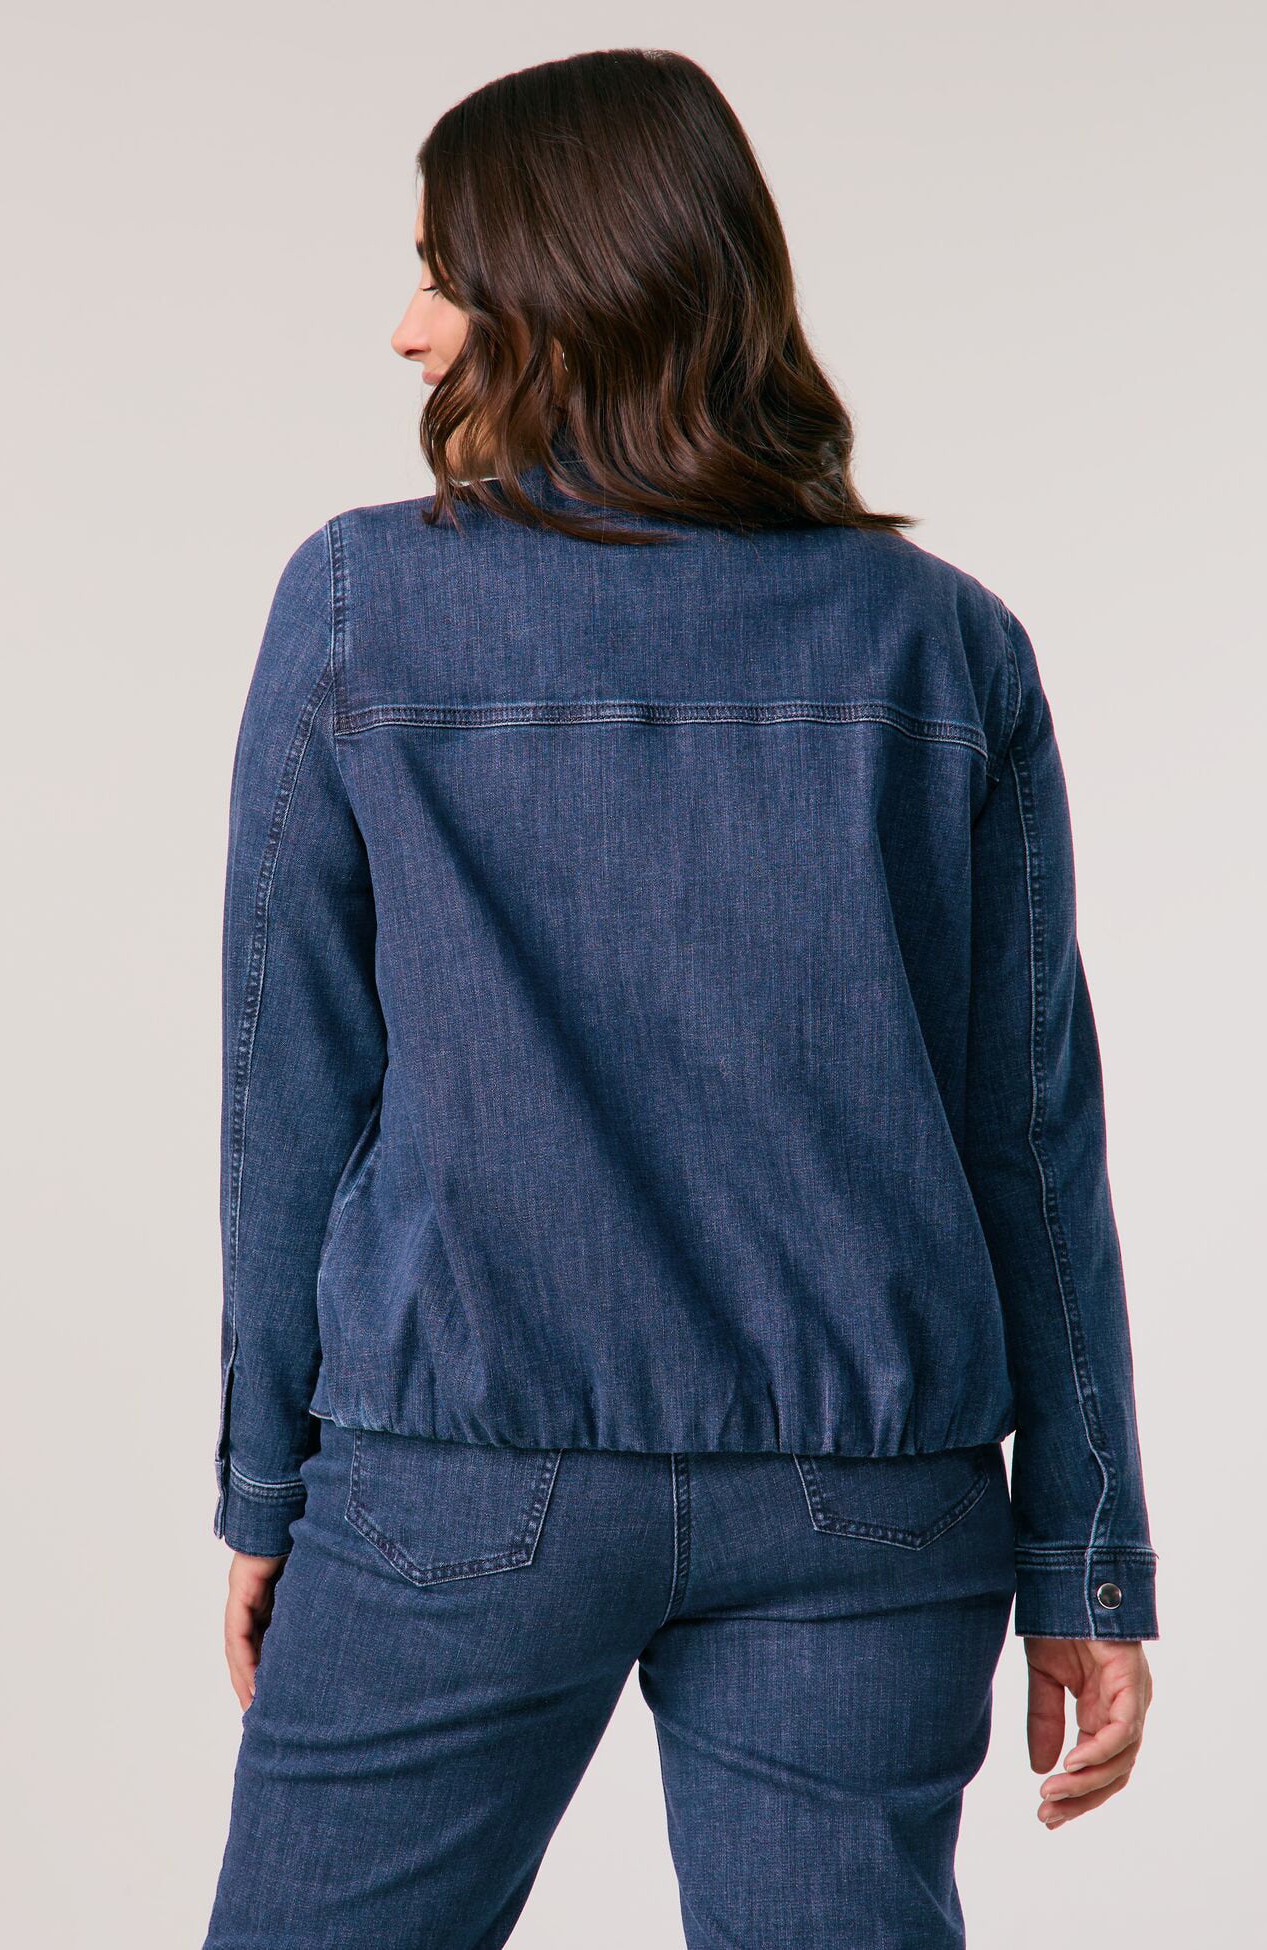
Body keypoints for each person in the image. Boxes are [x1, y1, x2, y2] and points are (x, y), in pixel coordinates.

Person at [201, 48, 1157, 1950]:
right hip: (872, 1495)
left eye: (441, 273)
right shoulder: (941, 642)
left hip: (462, 1471)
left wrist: (264, 1480)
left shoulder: (361, 605)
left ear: (565, 289)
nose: (406, 329)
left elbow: (287, 1075)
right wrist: (1086, 1551)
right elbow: (1030, 1134)